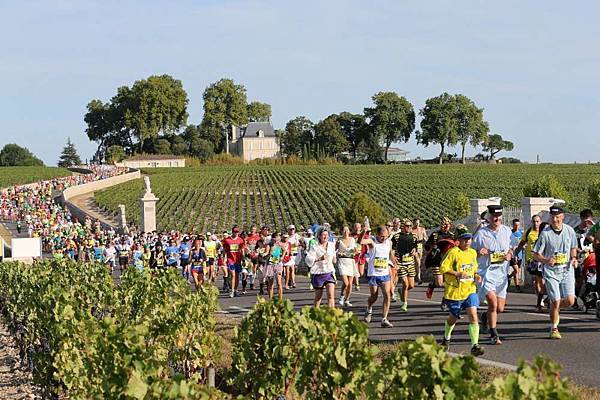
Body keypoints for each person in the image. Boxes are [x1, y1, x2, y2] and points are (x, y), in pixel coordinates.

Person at [533, 206, 578, 340]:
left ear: (562, 216)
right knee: (556, 300)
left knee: (570, 301)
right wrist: (546, 260)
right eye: (552, 217)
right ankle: (554, 328)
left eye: (557, 217)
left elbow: (573, 248)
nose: (555, 219)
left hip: (566, 270)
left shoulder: (569, 231)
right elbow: (536, 255)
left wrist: (574, 258)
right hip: (551, 271)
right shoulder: (545, 233)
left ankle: (553, 305)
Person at [439, 227, 485, 356]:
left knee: (473, 314)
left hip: (470, 289)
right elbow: (443, 268)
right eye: (464, 239)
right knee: (453, 318)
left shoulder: (472, 253)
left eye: (469, 239)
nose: (467, 241)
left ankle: (474, 345)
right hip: (455, 292)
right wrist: (457, 273)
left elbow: (474, 269)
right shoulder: (453, 252)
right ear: (458, 240)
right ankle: (446, 338)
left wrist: (476, 276)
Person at [472, 204, 513, 345]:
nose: (496, 219)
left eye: (498, 216)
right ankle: (493, 333)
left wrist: (509, 254)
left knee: (500, 308)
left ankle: (485, 317)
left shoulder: (507, 231)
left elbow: (512, 247)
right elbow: (470, 253)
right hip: (486, 273)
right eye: (493, 216)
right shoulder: (481, 233)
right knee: (493, 303)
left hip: (501, 274)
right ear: (489, 217)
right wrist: (478, 252)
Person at [363, 225, 396, 328]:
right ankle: (369, 308)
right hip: (373, 274)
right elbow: (360, 242)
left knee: (387, 295)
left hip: (384, 273)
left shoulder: (389, 242)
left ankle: (384, 319)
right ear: (377, 234)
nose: (384, 238)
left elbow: (390, 253)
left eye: (386, 236)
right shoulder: (372, 242)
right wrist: (362, 233)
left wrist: (394, 262)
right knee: (374, 296)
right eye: (382, 236)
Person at [516, 215, 546, 312]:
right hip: (532, 260)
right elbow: (521, 243)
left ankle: (541, 300)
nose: (535, 223)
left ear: (540, 222)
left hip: (543, 259)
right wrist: (515, 254)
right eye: (534, 221)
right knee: (537, 281)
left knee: (542, 282)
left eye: (537, 221)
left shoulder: (545, 232)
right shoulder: (529, 232)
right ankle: (540, 300)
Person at [425, 217, 455, 310]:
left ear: (450, 225)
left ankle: (444, 301)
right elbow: (427, 246)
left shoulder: (451, 235)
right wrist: (432, 247)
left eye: (447, 224)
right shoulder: (435, 235)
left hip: (448, 261)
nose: (445, 226)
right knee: (439, 283)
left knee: (448, 282)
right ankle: (432, 285)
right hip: (436, 260)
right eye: (443, 224)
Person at [306, 226, 337, 308]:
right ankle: (316, 314)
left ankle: (331, 315)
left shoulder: (331, 245)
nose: (325, 237)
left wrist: (335, 258)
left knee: (331, 296)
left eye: (327, 235)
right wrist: (320, 258)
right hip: (318, 273)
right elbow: (308, 259)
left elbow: (333, 255)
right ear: (319, 236)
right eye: (323, 235)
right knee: (318, 297)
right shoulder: (315, 246)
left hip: (329, 272)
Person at [395, 219, 417, 312]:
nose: (408, 228)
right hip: (401, 263)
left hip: (410, 263)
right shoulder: (396, 236)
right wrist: (394, 259)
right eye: (406, 226)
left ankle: (401, 292)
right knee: (405, 283)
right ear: (403, 227)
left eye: (410, 226)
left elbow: (416, 246)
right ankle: (405, 304)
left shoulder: (414, 236)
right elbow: (392, 248)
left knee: (411, 285)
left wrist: (415, 250)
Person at [336, 225, 357, 307]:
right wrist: (338, 253)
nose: (345, 232)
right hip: (342, 261)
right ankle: (341, 296)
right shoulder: (339, 241)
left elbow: (354, 250)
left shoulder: (352, 240)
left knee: (350, 284)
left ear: (349, 231)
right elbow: (335, 250)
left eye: (347, 230)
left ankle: (347, 300)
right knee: (346, 282)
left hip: (350, 261)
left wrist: (355, 251)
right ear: (342, 232)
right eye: (344, 230)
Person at [222, 226, 245, 298]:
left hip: (238, 260)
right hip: (230, 260)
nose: (236, 233)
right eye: (235, 232)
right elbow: (224, 250)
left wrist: (243, 259)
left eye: (237, 232)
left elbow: (242, 250)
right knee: (233, 275)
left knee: (237, 276)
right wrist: (224, 258)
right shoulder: (227, 240)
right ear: (232, 232)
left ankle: (235, 290)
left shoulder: (241, 240)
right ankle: (231, 291)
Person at [265, 233, 286, 300]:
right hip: (270, 264)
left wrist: (282, 257)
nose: (277, 240)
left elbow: (285, 250)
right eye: (276, 238)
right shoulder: (269, 245)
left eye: (278, 238)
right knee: (270, 284)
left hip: (278, 264)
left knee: (279, 283)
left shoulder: (280, 244)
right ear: (273, 239)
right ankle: (270, 299)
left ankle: (280, 299)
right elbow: (266, 254)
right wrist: (267, 254)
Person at [412, 218, 428, 285]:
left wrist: (425, 239)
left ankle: (417, 277)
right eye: (416, 223)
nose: (417, 224)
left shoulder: (422, 229)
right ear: (414, 223)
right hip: (413, 247)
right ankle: (418, 278)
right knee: (416, 262)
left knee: (418, 263)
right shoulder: (412, 229)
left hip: (420, 247)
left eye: (418, 223)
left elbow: (425, 237)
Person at [509, 219, 523, 292]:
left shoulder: (521, 233)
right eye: (515, 225)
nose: (517, 226)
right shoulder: (510, 233)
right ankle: (517, 286)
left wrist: (523, 246)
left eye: (518, 225)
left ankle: (509, 276)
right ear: (513, 225)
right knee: (516, 269)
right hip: (513, 254)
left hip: (520, 254)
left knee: (518, 271)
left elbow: (524, 242)